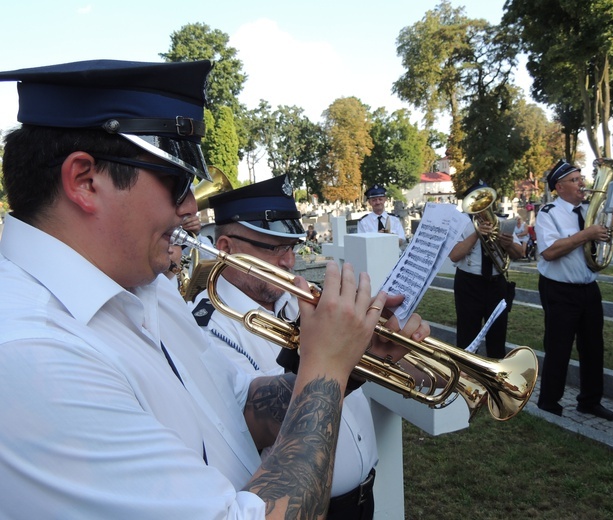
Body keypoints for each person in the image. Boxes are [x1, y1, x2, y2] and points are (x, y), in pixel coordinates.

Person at [0, 59, 427, 519]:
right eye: (178, 181)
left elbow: (242, 405)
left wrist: (355, 360)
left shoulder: (148, 289)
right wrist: (325, 368)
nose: (190, 208)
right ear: (85, 181)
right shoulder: (30, 354)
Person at [191, 175, 379, 519]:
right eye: (273, 248)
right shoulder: (205, 328)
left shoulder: (298, 302)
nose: (289, 262)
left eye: (290, 247)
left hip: (365, 497)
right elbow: (255, 423)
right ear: (225, 248)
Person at [535, 159, 613, 420]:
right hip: (559, 290)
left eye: (582, 179)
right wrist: (586, 234)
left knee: (593, 347)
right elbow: (550, 251)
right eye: (575, 180)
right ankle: (549, 403)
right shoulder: (549, 212)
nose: (583, 184)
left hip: (589, 288)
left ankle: (590, 401)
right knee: (559, 347)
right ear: (560, 186)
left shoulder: (593, 209)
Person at [448, 181, 523, 359]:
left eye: (485, 203)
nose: (482, 209)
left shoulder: (502, 222)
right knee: (467, 339)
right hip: (469, 285)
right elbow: (454, 255)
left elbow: (520, 253)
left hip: (497, 285)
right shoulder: (462, 225)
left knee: (497, 339)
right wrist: (477, 234)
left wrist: (508, 243)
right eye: (477, 204)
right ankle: (466, 379)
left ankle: (495, 382)